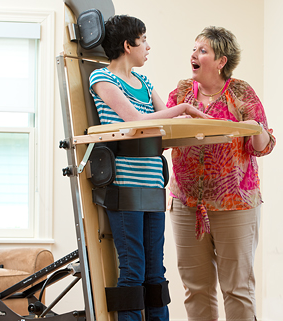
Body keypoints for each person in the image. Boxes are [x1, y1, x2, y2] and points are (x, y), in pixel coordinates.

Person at [89, 15, 209, 321]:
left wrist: (182, 122)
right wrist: (183, 108)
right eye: (143, 41)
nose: (148, 47)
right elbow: (137, 121)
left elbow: (162, 122)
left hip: (154, 184)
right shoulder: (102, 80)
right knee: (133, 271)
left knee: (156, 272)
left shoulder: (143, 82)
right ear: (128, 45)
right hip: (125, 186)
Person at [167, 26, 276, 321]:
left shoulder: (240, 92)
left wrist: (255, 129)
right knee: (196, 288)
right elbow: (164, 136)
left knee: (237, 288)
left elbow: (263, 146)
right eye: (194, 49)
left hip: (235, 204)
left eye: (203, 51)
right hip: (187, 204)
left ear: (221, 62)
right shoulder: (179, 92)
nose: (194, 55)